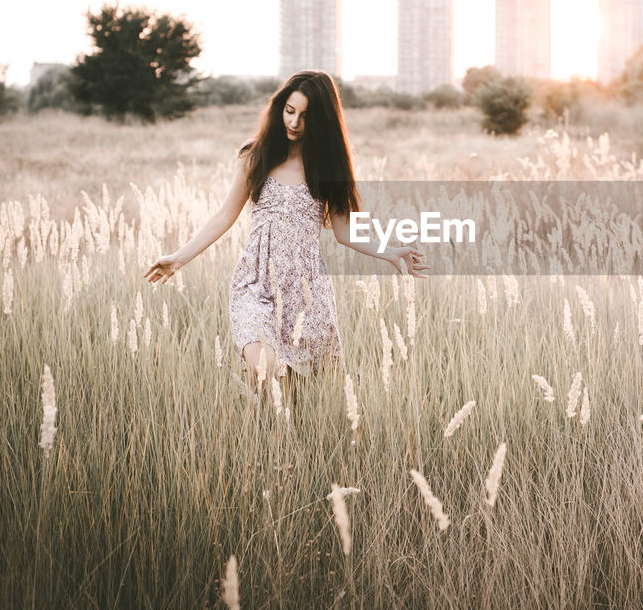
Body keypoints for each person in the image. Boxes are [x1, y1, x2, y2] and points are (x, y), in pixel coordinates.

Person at [142, 70, 429, 381]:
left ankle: (280, 431)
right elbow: (225, 214)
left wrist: (390, 252)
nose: (293, 123)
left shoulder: (327, 167)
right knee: (264, 370)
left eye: (305, 116)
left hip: (306, 291)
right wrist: (179, 258)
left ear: (321, 121)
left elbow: (346, 233)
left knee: (310, 387)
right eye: (289, 111)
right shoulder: (255, 156)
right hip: (255, 283)